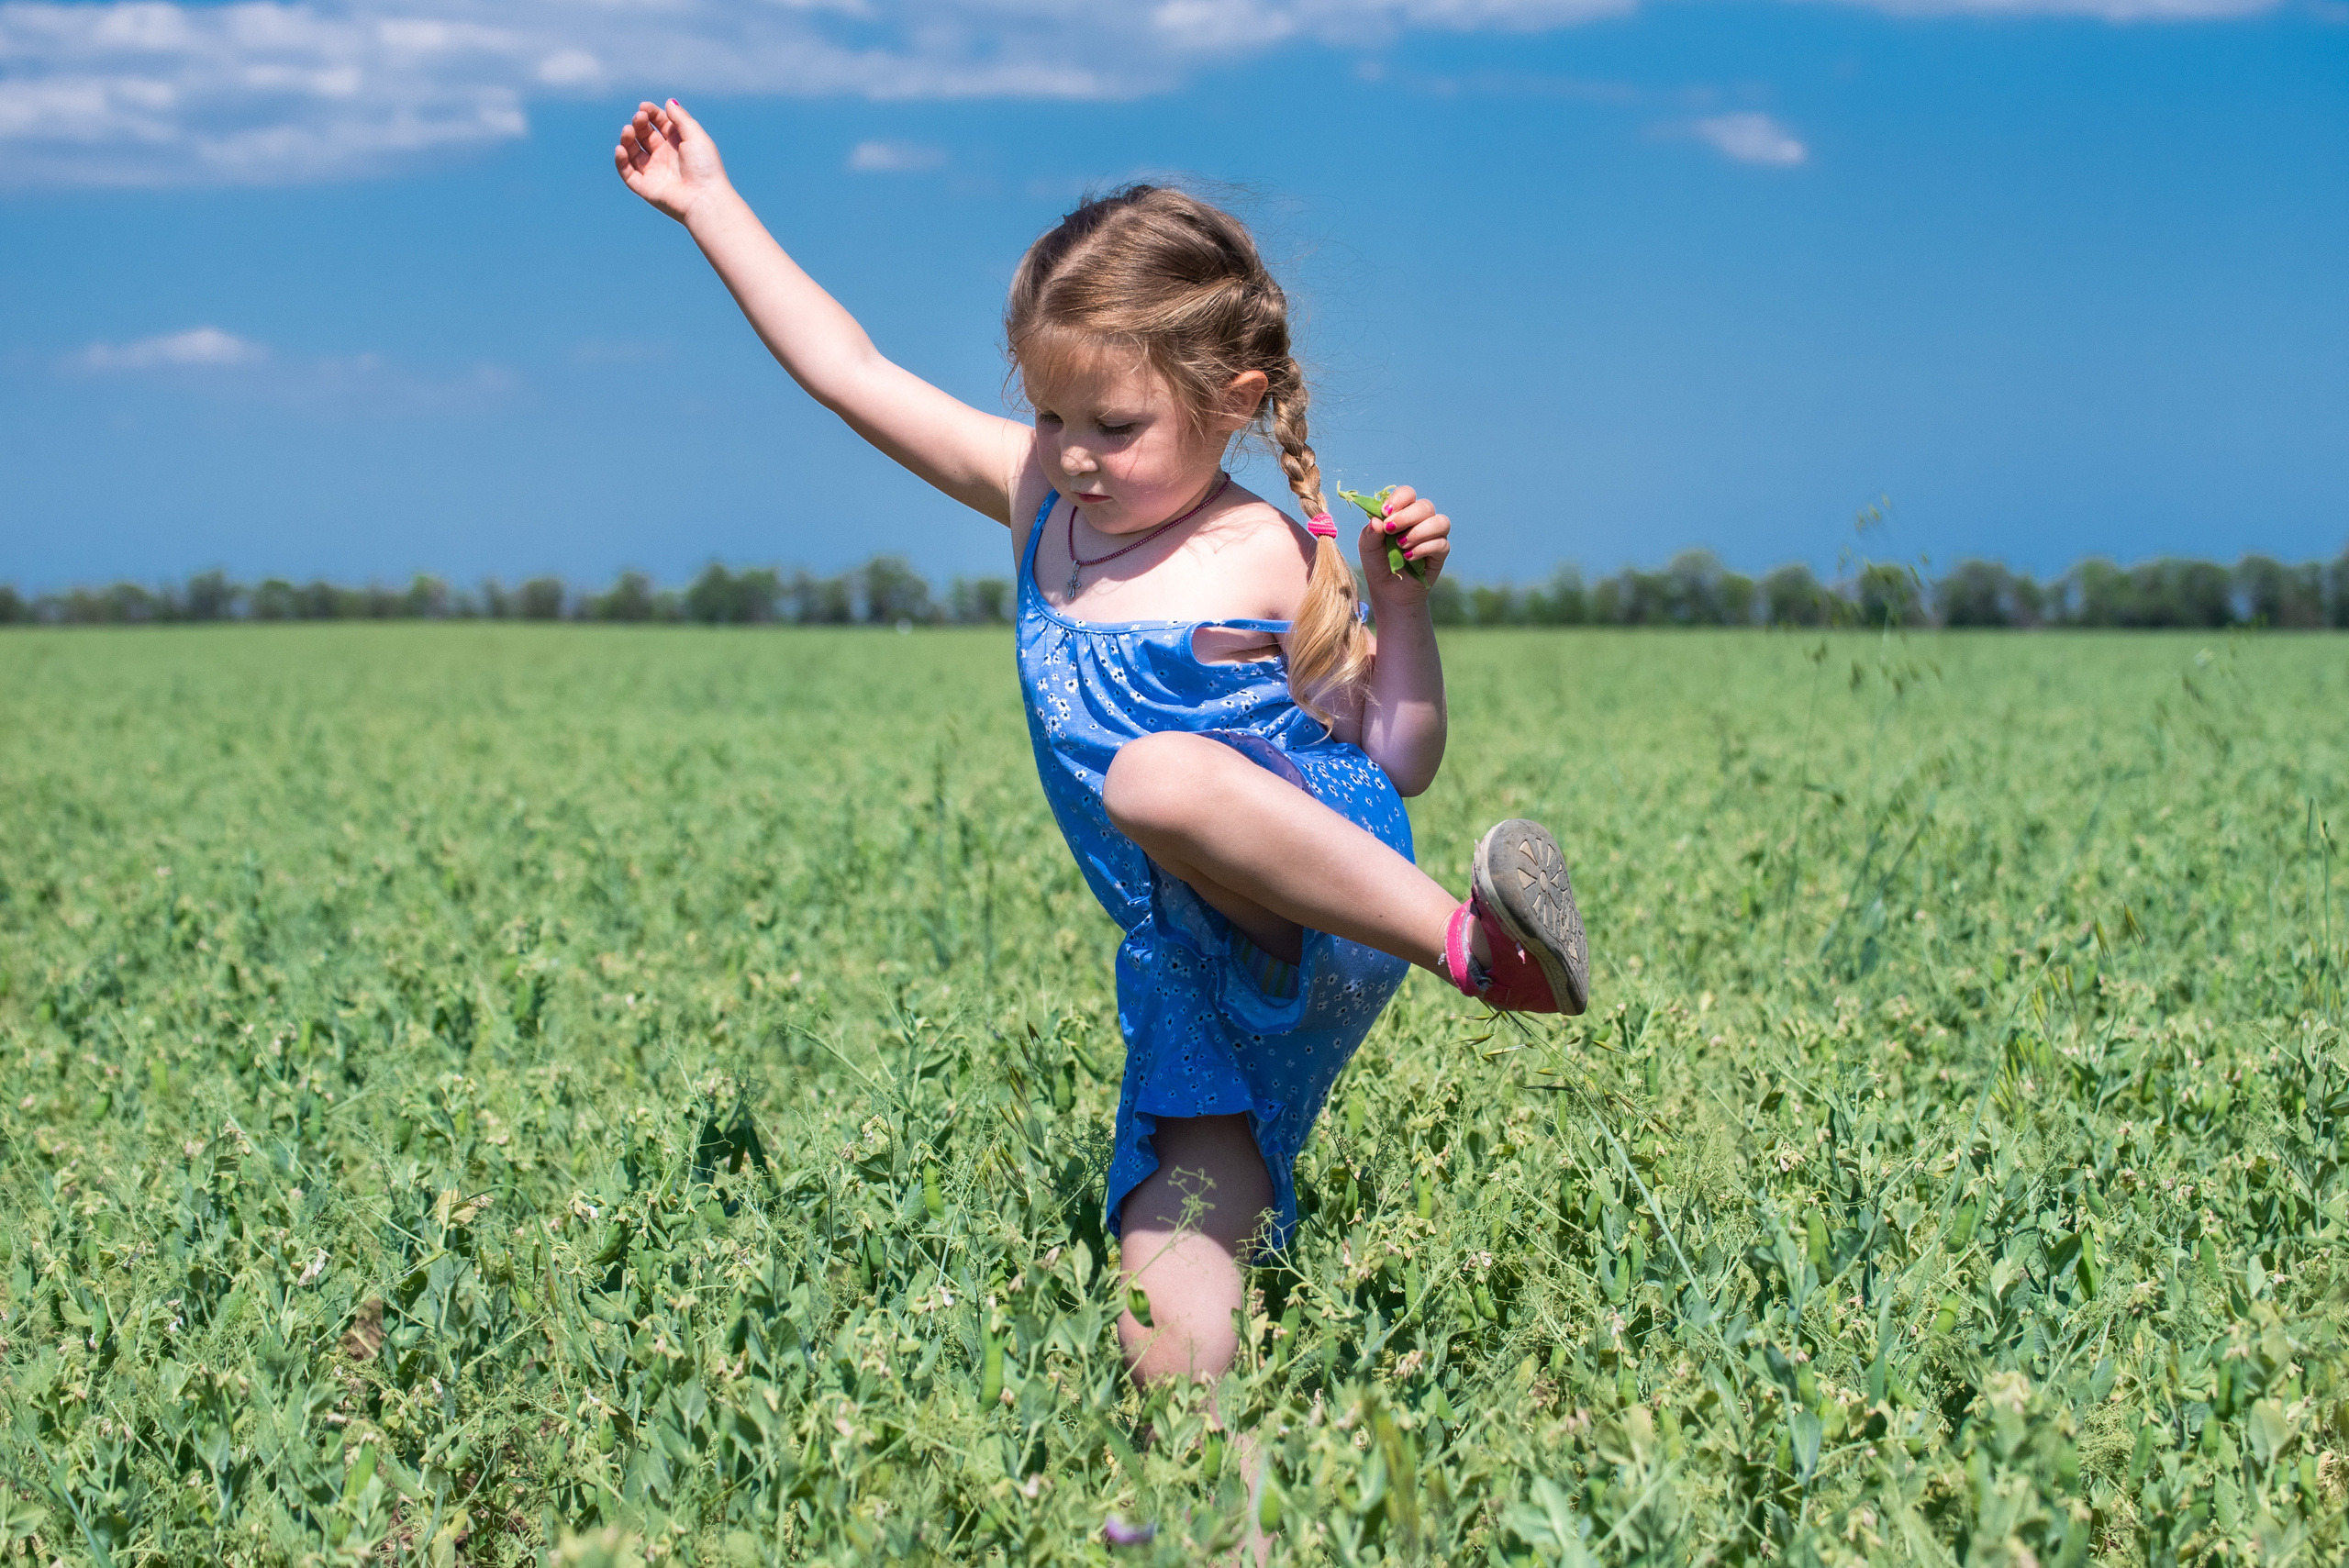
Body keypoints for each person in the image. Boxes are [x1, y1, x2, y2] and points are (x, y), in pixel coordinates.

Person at [614, 101, 1590, 1392]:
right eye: (1053, 415)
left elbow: (1399, 762)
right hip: (1191, 962)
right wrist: (709, 205)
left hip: (1333, 897)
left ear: (1232, 400)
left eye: (1113, 426)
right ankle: (1215, 1501)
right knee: (1166, 1283)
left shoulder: (1262, 552)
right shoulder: (1043, 503)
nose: (1073, 454)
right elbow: (851, 369)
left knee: (1154, 772)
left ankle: (1483, 948)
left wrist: (1398, 606)